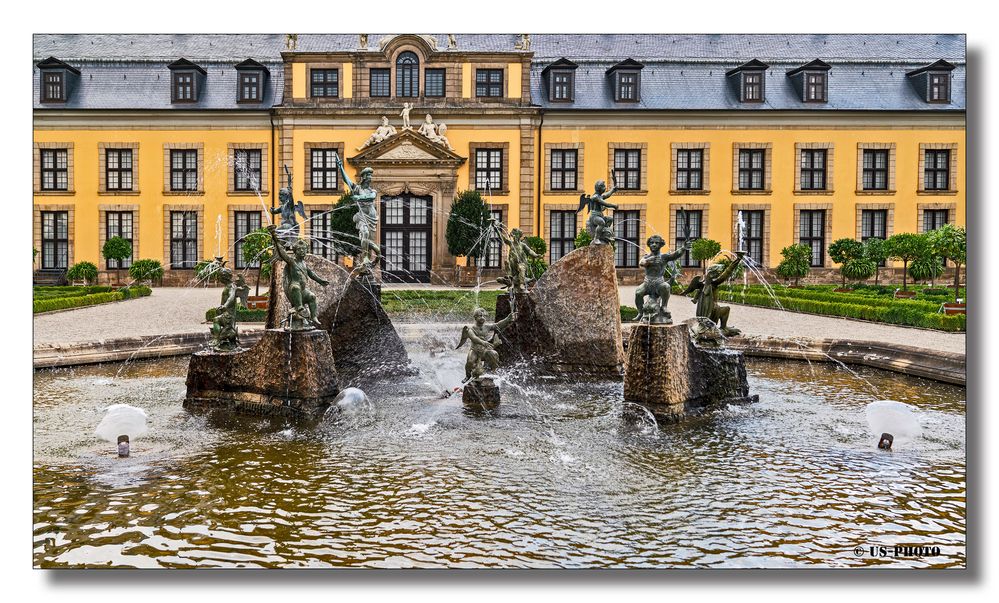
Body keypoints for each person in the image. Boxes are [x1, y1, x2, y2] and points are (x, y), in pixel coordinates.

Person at [268, 224, 329, 330]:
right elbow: (282, 254)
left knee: (312, 297)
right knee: (296, 287)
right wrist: (275, 239)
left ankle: (313, 317)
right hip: (294, 288)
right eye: (300, 250)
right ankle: (299, 307)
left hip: (303, 290)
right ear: (295, 251)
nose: (303, 252)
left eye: (304, 249)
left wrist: (320, 281)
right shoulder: (292, 261)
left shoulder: (304, 263)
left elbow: (311, 273)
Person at [634, 234, 691, 324]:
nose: (654, 244)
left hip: (659, 283)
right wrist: (649, 260)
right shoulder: (646, 257)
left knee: (666, 287)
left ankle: (664, 306)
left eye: (656, 243)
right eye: (652, 243)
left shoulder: (664, 257)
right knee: (638, 293)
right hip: (647, 283)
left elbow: (675, 255)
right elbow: (641, 263)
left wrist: (683, 248)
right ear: (649, 245)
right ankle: (640, 312)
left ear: (661, 245)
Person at [456, 307, 518, 382]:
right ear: (475, 317)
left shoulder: (487, 327)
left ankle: (494, 371)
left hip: (484, 350)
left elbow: (497, 325)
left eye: (484, 316)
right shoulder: (470, 328)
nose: (483, 318)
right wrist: (483, 342)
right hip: (474, 350)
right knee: (470, 361)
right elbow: (474, 338)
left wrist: (507, 319)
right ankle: (467, 376)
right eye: (480, 316)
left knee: (493, 354)